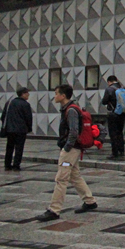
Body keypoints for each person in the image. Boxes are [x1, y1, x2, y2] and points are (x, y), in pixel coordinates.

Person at [35, 84, 98, 221]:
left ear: (63, 96)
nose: (55, 96)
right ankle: (90, 201)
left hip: (71, 149)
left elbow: (74, 132)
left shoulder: (71, 111)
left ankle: (54, 210)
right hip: (73, 148)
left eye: (56, 93)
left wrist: (67, 148)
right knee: (74, 175)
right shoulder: (69, 109)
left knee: (61, 178)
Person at [2, 87, 33, 171]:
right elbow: (28, 118)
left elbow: (3, 116)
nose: (28, 95)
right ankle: (16, 165)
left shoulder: (9, 103)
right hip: (21, 130)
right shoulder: (25, 104)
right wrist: (29, 128)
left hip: (10, 129)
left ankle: (7, 165)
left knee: (9, 147)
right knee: (19, 148)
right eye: (27, 93)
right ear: (23, 94)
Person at [101, 75, 125, 159]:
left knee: (113, 133)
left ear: (109, 82)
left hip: (113, 114)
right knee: (120, 131)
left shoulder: (109, 89)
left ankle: (114, 152)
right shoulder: (123, 88)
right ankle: (121, 150)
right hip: (122, 113)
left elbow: (104, 101)